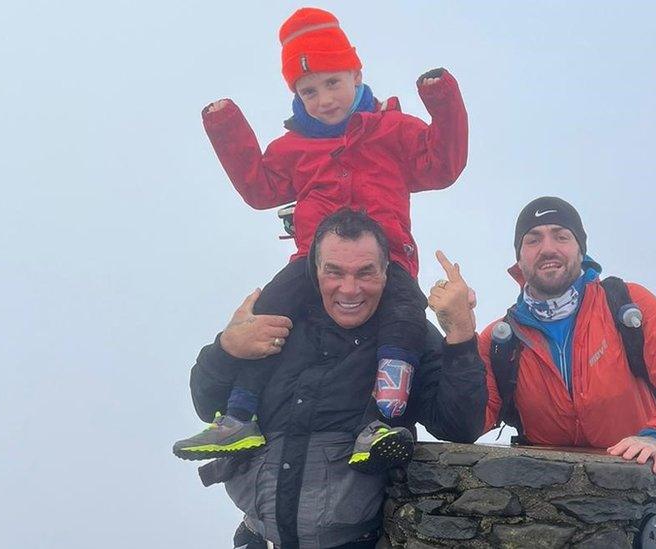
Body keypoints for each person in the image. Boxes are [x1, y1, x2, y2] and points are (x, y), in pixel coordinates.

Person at [174, 6, 469, 465]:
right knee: (269, 317)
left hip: (387, 262)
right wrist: (226, 126)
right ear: (295, 93)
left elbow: (441, 165)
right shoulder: (292, 148)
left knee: (404, 321)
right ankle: (239, 417)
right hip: (311, 263)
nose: (324, 98)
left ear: (356, 73)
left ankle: (381, 422)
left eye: (333, 82)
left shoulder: (391, 129)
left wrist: (442, 98)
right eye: (308, 90)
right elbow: (259, 189)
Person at [188, 209, 486, 548]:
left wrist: (461, 331)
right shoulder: (271, 327)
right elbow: (206, 403)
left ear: (387, 272)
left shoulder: (409, 338)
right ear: (315, 271)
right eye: (334, 272)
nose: (349, 289)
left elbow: (460, 426)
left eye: (365, 272)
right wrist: (226, 348)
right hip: (257, 538)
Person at [478, 197, 656, 474]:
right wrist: (457, 334)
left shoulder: (628, 304)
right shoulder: (501, 340)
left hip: (636, 484)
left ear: (581, 250)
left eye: (561, 236)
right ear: (519, 258)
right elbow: (473, 420)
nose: (548, 249)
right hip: (538, 498)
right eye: (533, 240)